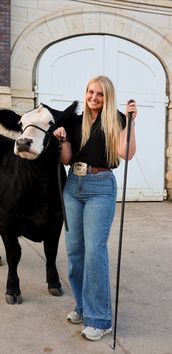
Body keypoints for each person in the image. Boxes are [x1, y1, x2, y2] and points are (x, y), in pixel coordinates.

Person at [53, 75, 137, 341]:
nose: (94, 98)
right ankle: (82, 306)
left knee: (95, 252)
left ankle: (100, 319)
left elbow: (127, 153)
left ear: (107, 96)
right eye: (91, 92)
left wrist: (133, 123)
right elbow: (67, 159)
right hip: (73, 187)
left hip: (101, 187)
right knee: (75, 251)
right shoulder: (74, 122)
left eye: (100, 94)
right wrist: (61, 140)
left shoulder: (117, 119)